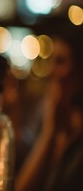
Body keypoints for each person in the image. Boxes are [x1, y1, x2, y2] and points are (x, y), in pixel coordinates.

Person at [15, 31, 83, 191]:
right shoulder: (45, 115)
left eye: (61, 61)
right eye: (51, 60)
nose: (52, 71)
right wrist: (49, 132)